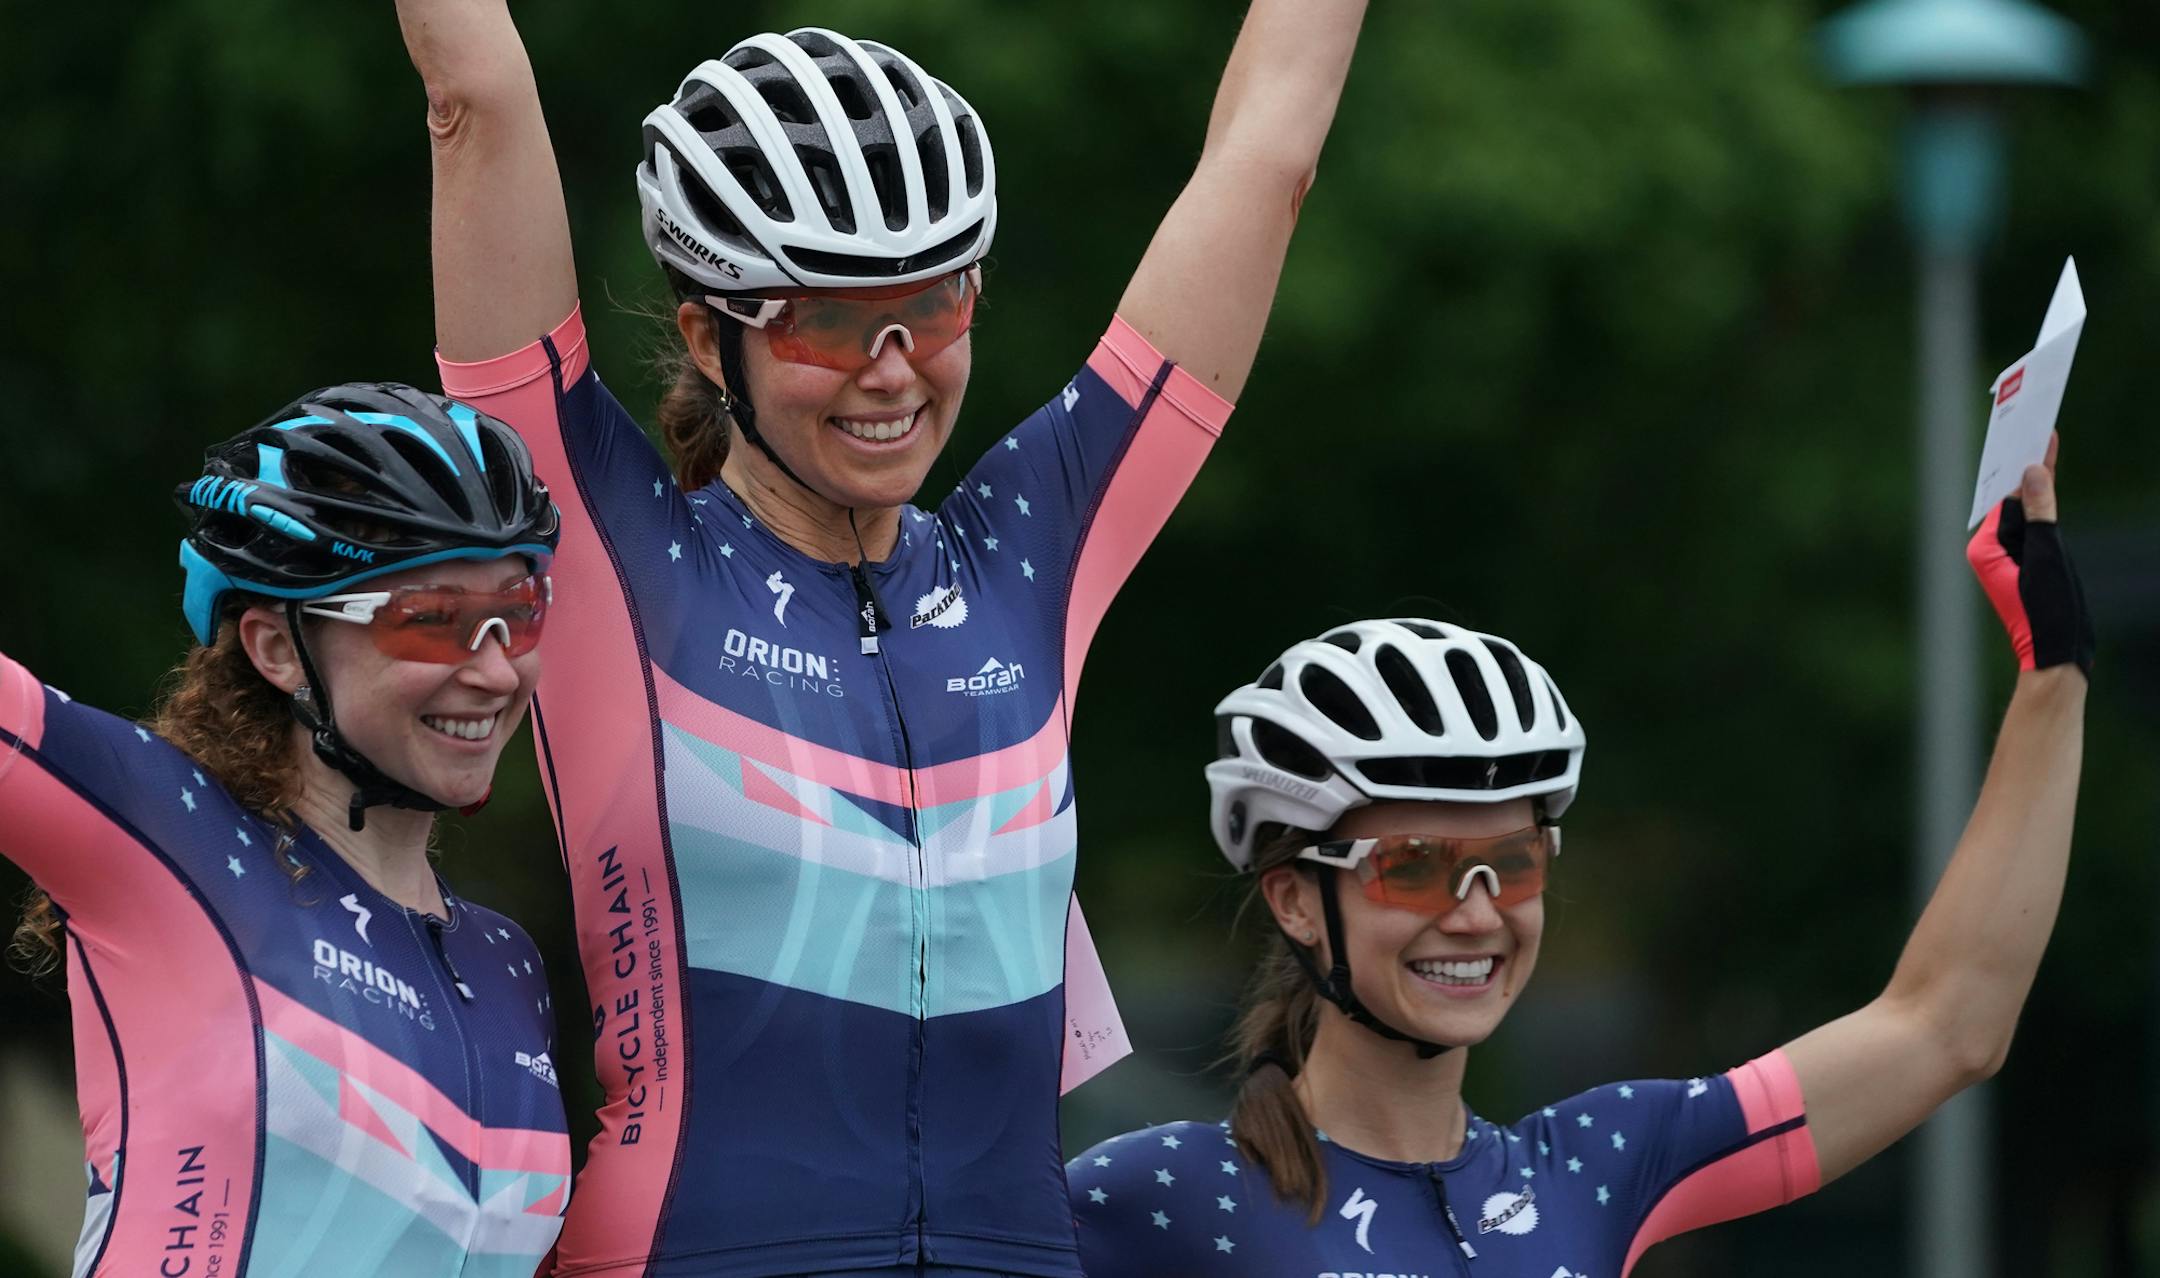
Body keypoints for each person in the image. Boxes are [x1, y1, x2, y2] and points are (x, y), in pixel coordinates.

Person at [389, 2, 1368, 1273]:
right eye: (830, 324)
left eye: (936, 307)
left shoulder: (1033, 557)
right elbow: (476, 98)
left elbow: (1267, 160)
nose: (894, 369)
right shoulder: (611, 556)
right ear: (709, 336)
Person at [1068, 445, 2091, 1276]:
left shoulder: (1604, 1166)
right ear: (1294, 899)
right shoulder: (1161, 1198)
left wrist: (2052, 677)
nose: (1474, 914)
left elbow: (1949, 1022)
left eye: (1511, 865)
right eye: (1414, 867)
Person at [2, 385, 571, 1276]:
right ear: (275, 648)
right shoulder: (168, 834)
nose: (495, 669)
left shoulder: (508, 964)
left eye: (518, 610)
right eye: (431, 621)